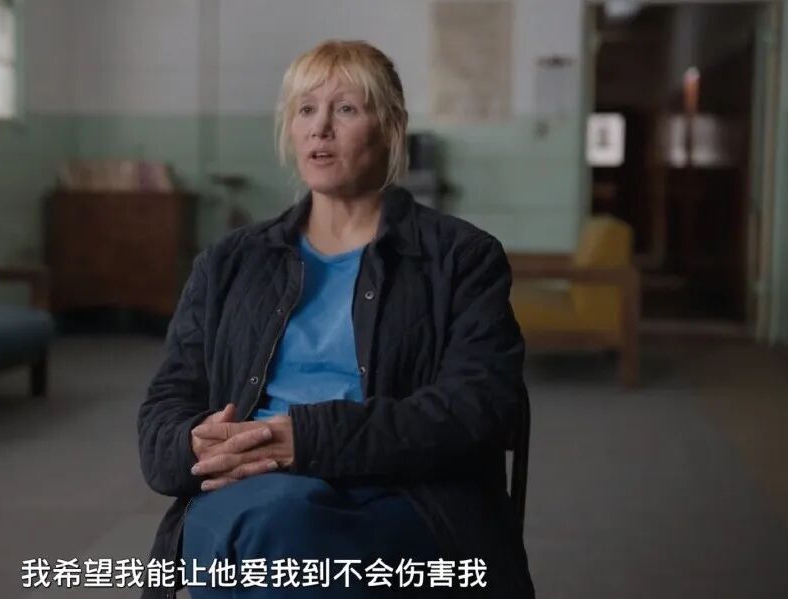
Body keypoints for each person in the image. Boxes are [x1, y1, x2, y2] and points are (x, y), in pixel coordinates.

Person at [138, 40, 534, 598]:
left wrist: (307, 439)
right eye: (306, 109)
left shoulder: (461, 258)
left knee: (273, 540)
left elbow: (479, 409)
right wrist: (195, 445)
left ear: (391, 127)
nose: (320, 128)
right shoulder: (229, 263)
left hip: (402, 493)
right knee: (268, 525)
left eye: (345, 108)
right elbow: (164, 410)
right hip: (250, 487)